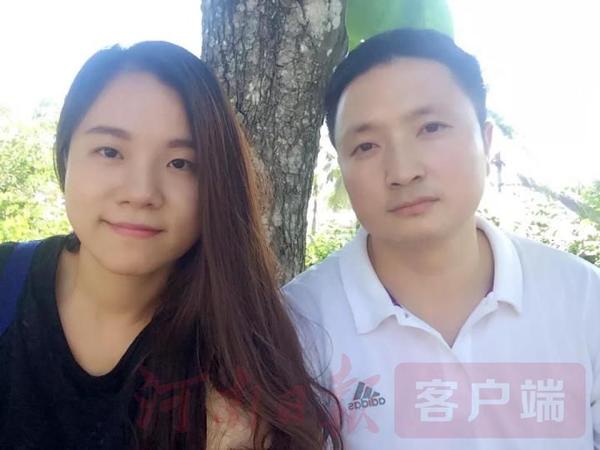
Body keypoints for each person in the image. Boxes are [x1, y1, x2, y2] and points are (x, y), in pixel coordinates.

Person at [0, 41, 342, 450]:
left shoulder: (239, 357)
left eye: (180, 163)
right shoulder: (8, 283)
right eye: (110, 151)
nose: (141, 192)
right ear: (65, 156)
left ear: (216, 182)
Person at [284, 28, 600, 449]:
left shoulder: (582, 298)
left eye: (431, 127)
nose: (403, 171)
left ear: (485, 141)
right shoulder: (295, 324)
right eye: (366, 146)